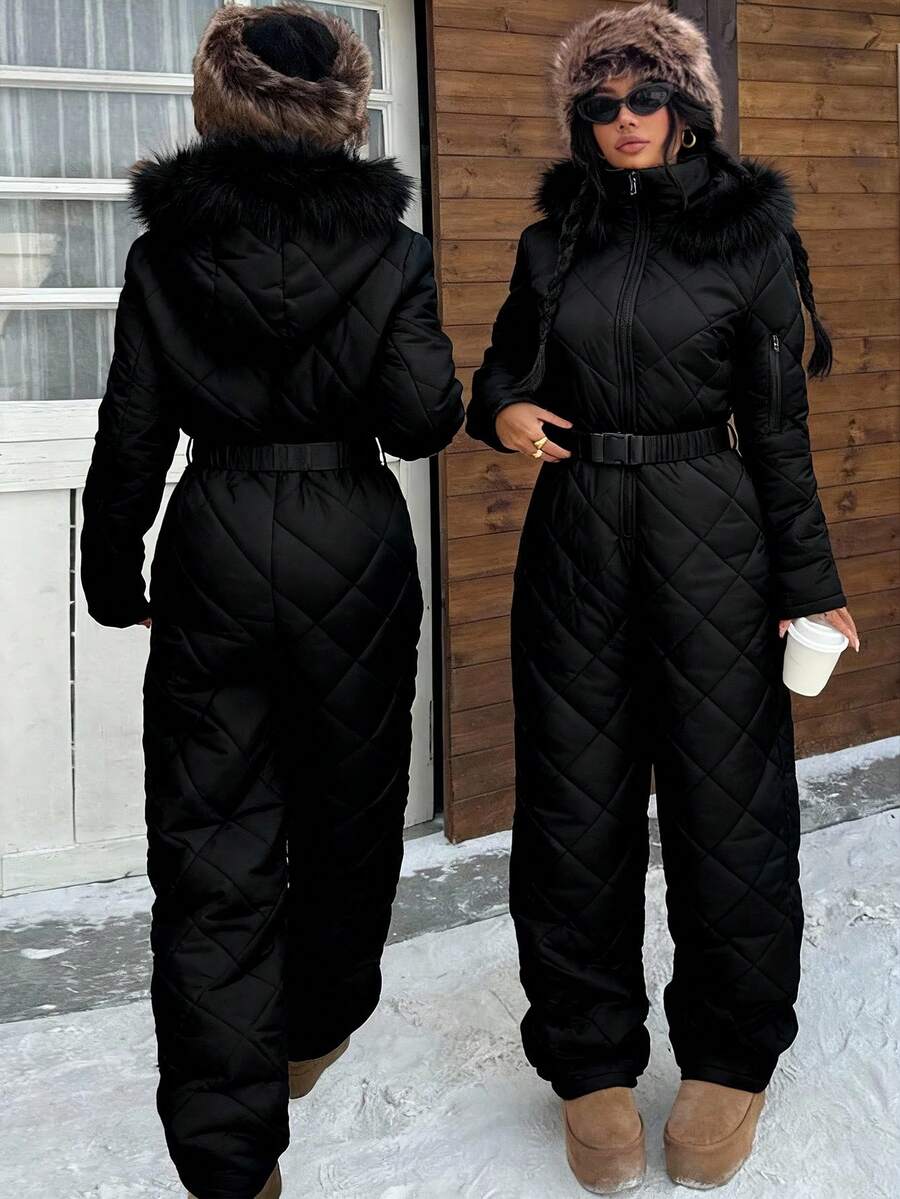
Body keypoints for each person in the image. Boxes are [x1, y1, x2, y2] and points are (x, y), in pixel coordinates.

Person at [464, 2, 859, 1192]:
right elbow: (499, 373)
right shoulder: (552, 245)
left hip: (714, 538)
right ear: (580, 119)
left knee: (728, 811)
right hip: (576, 544)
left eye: (646, 98)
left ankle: (730, 1057)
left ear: (686, 109)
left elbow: (779, 431)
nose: (624, 120)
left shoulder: (750, 240)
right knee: (573, 814)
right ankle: (588, 1062)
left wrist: (812, 583)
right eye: (601, 103)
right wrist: (504, 412)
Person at [79, 5, 463, 1198]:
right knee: (351, 813)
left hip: (217, 543)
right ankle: (312, 1025)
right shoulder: (392, 249)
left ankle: (230, 1160)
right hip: (351, 543)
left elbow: (133, 429)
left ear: (218, 105)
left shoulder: (167, 252)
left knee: (212, 845)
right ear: (343, 112)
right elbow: (420, 420)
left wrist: (112, 569)